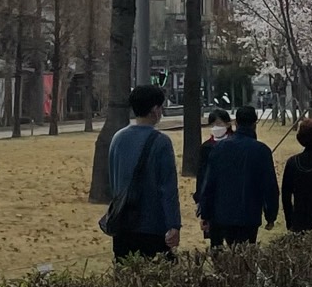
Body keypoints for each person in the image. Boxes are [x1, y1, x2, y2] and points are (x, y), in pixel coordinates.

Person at [107, 84, 182, 262]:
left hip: (123, 222)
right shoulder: (161, 141)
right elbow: (168, 188)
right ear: (155, 110)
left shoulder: (118, 138)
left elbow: (114, 179)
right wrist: (173, 224)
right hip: (153, 226)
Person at [198, 104, 278, 247]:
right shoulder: (262, 151)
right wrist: (270, 215)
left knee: (221, 254)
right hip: (249, 214)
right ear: (254, 124)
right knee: (245, 254)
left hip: (221, 213)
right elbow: (269, 186)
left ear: (236, 123)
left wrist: (205, 213)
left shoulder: (219, 148)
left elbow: (209, 183)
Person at [194, 108, 233, 223]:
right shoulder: (206, 147)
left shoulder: (235, 143)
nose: (216, 127)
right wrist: (199, 197)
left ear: (227, 124)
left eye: (219, 124)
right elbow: (201, 173)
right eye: (213, 124)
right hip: (212, 195)